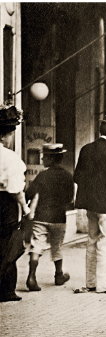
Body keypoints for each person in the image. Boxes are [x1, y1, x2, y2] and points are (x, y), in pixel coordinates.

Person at [73, 115, 106, 294]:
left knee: (91, 241)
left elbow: (77, 177)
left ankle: (90, 282)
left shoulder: (86, 149)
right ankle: (103, 284)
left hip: (90, 205)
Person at [25, 144, 74, 291]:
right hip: (59, 218)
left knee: (36, 246)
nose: (42, 159)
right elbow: (70, 199)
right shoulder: (67, 176)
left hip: (41, 216)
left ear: (52, 158)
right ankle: (59, 275)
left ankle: (32, 277)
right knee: (56, 248)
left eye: (45, 156)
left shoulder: (42, 175)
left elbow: (29, 193)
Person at [0, 104, 30, 302]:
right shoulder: (9, 157)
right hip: (5, 205)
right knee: (8, 247)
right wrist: (26, 208)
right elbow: (16, 189)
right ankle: (6, 291)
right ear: (5, 136)